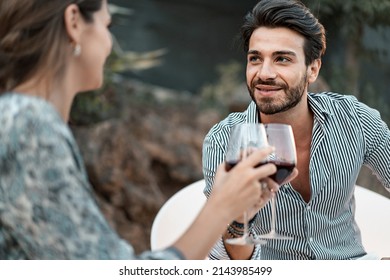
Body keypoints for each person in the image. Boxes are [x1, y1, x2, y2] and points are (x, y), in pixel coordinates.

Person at [0, 0, 279, 260]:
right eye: (106, 26)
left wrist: (232, 214)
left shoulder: (18, 119)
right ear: (74, 22)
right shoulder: (29, 124)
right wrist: (221, 207)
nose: (110, 44)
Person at [202, 0, 390, 260]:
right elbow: (228, 261)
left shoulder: (354, 119)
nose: (264, 73)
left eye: (282, 59)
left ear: (312, 69)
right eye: (255, 58)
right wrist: (238, 220)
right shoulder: (224, 141)